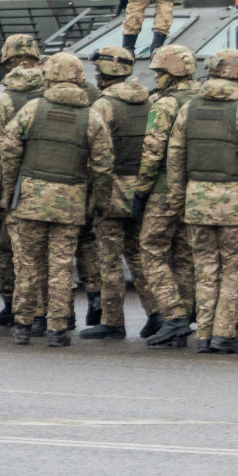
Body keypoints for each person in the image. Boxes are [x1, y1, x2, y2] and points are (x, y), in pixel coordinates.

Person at [0, 52, 114, 347]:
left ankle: (23, 325)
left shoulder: (32, 110)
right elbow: (103, 168)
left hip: (30, 200)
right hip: (70, 202)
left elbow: (9, 153)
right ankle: (57, 328)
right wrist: (98, 203)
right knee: (61, 267)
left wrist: (10, 192)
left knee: (28, 265)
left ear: (48, 76)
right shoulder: (92, 117)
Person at [166, 49, 238, 353]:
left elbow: (175, 158)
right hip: (235, 203)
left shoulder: (190, 109)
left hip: (197, 201)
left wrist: (177, 200)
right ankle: (224, 334)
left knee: (205, 270)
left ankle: (203, 334)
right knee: (234, 271)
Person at [135, 43, 200, 345]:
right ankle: (185, 318)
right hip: (196, 190)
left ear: (170, 74)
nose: (156, 79)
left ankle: (173, 317)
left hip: (163, 190)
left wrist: (141, 191)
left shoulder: (164, 105)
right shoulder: (202, 100)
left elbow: (152, 152)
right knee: (185, 256)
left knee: (152, 251)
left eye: (159, 73)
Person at [83, 46, 150, 339]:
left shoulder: (103, 106)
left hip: (111, 190)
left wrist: (94, 194)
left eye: (98, 70)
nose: (95, 75)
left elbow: (96, 154)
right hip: (142, 190)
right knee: (139, 255)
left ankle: (113, 321)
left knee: (109, 259)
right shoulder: (151, 102)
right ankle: (158, 313)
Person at [0, 34, 45, 325]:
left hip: (16, 188)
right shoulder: (56, 93)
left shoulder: (3, 101)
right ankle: (56, 313)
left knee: (8, 250)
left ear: (8, 62)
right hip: (60, 185)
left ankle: (14, 307)